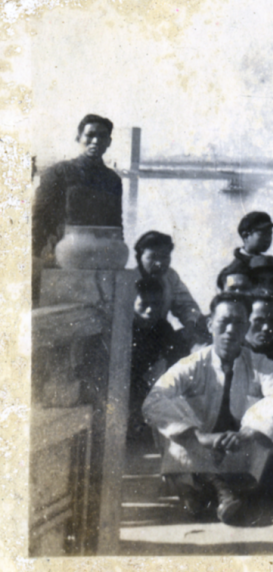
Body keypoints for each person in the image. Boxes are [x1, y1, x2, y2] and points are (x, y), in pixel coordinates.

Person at [142, 292, 273, 524]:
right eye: (224, 322)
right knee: (171, 411)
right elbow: (154, 400)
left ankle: (205, 490)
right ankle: (219, 490)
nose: (230, 330)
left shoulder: (260, 364)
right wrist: (200, 436)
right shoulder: (193, 364)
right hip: (198, 447)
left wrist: (249, 431)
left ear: (246, 327)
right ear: (210, 325)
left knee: (269, 417)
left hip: (238, 448)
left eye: (238, 323)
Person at [32, 114, 122, 294]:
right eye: (90, 135)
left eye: (102, 136)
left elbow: (116, 225)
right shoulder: (58, 173)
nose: (96, 141)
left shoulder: (112, 180)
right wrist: (36, 257)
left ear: (109, 142)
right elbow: (38, 218)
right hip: (61, 255)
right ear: (78, 138)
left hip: (99, 259)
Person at [129, 275, 190, 441]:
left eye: (156, 304)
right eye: (143, 305)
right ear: (132, 303)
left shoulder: (163, 328)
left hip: (152, 386)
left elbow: (178, 360)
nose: (150, 310)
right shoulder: (125, 327)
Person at [134, 230, 206, 347]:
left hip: (159, 334)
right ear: (139, 257)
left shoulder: (170, 277)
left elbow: (187, 305)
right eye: (152, 257)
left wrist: (190, 325)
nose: (159, 263)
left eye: (164, 257)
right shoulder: (128, 280)